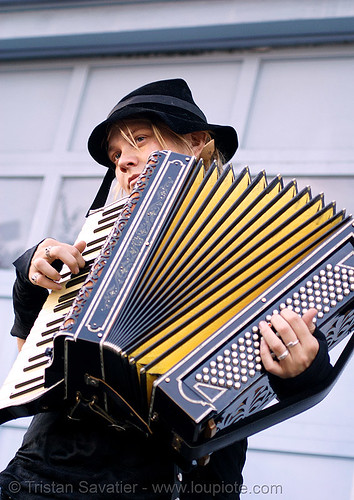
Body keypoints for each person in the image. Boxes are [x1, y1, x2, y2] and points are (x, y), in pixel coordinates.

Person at [0, 79, 332, 499]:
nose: (122, 161)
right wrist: (29, 278)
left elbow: (297, 340)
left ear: (197, 143)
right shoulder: (102, 244)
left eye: (139, 139)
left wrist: (307, 367)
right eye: (115, 154)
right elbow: (31, 363)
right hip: (44, 477)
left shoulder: (257, 238)